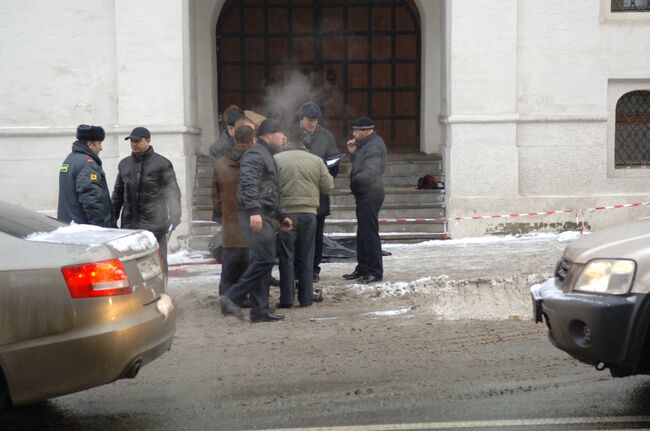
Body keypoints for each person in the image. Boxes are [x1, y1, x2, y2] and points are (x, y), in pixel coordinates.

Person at [220, 119, 293, 323]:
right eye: (281, 134)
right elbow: (248, 183)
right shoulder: (255, 154)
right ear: (269, 135)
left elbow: (271, 189)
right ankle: (232, 297)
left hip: (265, 214)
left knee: (262, 261)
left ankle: (259, 310)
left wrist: (281, 215)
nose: (284, 138)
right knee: (265, 259)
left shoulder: (266, 155)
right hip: (256, 214)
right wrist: (254, 211)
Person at [275, 125, 334, 308]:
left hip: (286, 215)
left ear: (286, 139)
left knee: (286, 257)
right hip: (309, 214)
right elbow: (328, 186)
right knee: (307, 256)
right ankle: (306, 298)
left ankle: (286, 299)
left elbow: (270, 186)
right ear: (305, 140)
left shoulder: (276, 160)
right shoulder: (316, 161)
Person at [111, 127, 182, 273]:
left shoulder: (162, 164)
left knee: (157, 262)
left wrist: (175, 216)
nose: (133, 144)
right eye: (131, 141)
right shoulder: (124, 164)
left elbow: (173, 192)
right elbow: (118, 193)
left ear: (148, 141)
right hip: (129, 225)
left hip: (154, 225)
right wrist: (112, 216)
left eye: (137, 141)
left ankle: (161, 289)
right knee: (131, 264)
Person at [297, 101, 340, 283]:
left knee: (317, 234)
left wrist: (325, 174)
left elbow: (334, 161)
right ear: (301, 119)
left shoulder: (326, 136)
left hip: (318, 193)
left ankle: (314, 269)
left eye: (315, 120)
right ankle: (296, 268)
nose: (313, 124)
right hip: (297, 192)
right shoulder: (292, 133)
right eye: (309, 120)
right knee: (297, 234)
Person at [212, 124, 256, 300]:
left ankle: (227, 296)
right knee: (250, 260)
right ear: (252, 140)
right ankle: (248, 295)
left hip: (230, 220)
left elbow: (215, 195)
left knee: (230, 261)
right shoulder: (255, 160)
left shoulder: (221, 163)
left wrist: (222, 214)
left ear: (235, 138)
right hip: (252, 220)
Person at [342, 116, 387, 284]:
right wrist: (354, 154)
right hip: (364, 193)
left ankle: (375, 271)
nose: (353, 134)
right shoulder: (366, 144)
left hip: (371, 193)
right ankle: (362, 268)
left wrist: (355, 181)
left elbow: (371, 172)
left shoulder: (374, 146)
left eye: (356, 130)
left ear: (366, 130)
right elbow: (361, 164)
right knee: (362, 233)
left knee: (369, 233)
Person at [57, 124, 115, 227]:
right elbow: (91, 200)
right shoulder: (87, 164)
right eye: (99, 143)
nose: (101, 148)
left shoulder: (70, 159)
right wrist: (100, 228)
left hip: (69, 226)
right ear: (90, 144)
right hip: (84, 230)